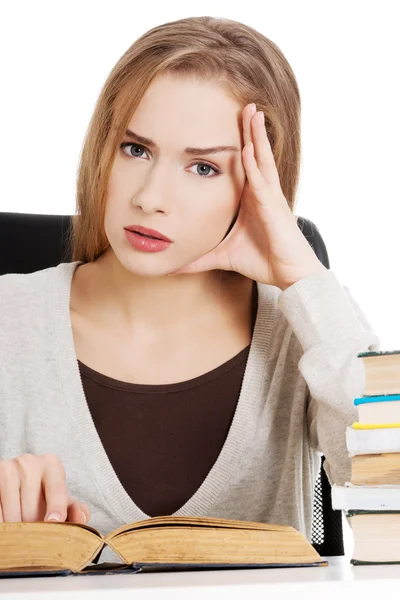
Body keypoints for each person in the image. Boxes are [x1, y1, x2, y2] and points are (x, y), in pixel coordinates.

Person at [0, 16, 379, 563]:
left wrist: (304, 276)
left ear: (258, 184)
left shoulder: (305, 332)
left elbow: (387, 483)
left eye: (203, 167)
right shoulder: (9, 320)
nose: (152, 197)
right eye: (135, 149)